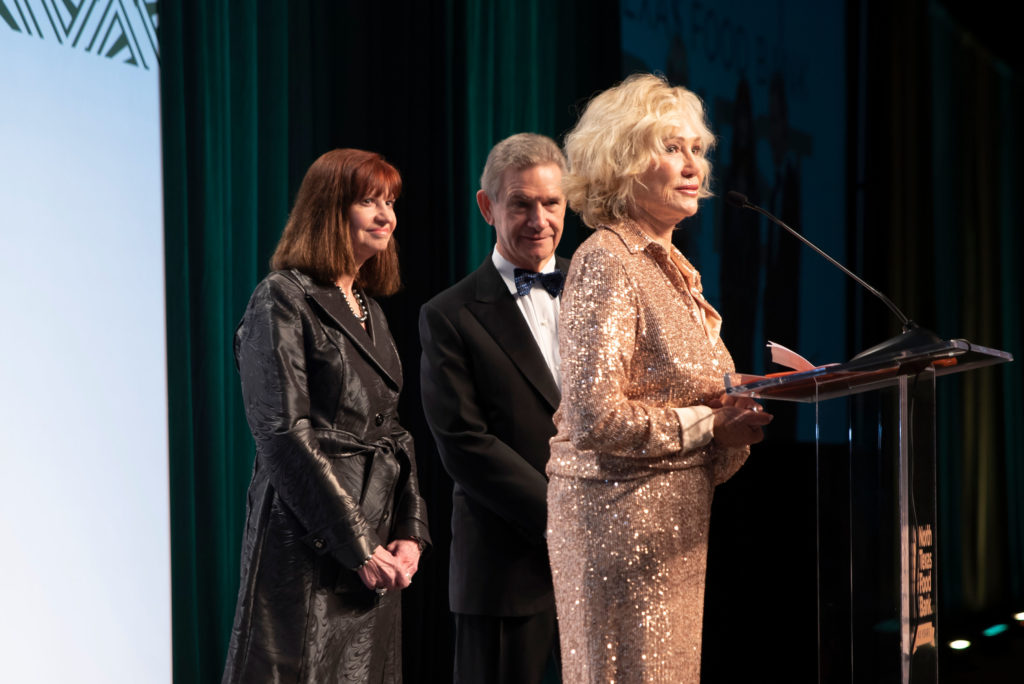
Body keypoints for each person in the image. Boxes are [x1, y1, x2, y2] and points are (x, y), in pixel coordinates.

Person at [547, 74, 772, 683]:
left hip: (674, 532)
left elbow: (700, 411)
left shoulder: (676, 268)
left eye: (697, 149)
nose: (692, 164)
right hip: (615, 527)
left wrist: (736, 415)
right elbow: (596, 418)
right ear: (622, 161)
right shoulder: (606, 259)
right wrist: (709, 422)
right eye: (671, 148)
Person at [222, 148, 430, 684]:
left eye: (390, 202)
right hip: (311, 542)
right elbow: (282, 434)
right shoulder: (281, 297)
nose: (387, 215)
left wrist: (410, 528)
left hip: (373, 543)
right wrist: (355, 543)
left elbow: (393, 431)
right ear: (329, 211)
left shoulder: (369, 308)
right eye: (369, 201)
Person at [419, 133, 568, 684]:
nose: (538, 219)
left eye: (551, 203)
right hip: (506, 571)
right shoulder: (449, 314)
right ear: (487, 207)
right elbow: (464, 443)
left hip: (601, 566)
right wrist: (568, 515)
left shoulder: (602, 289)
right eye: (520, 203)